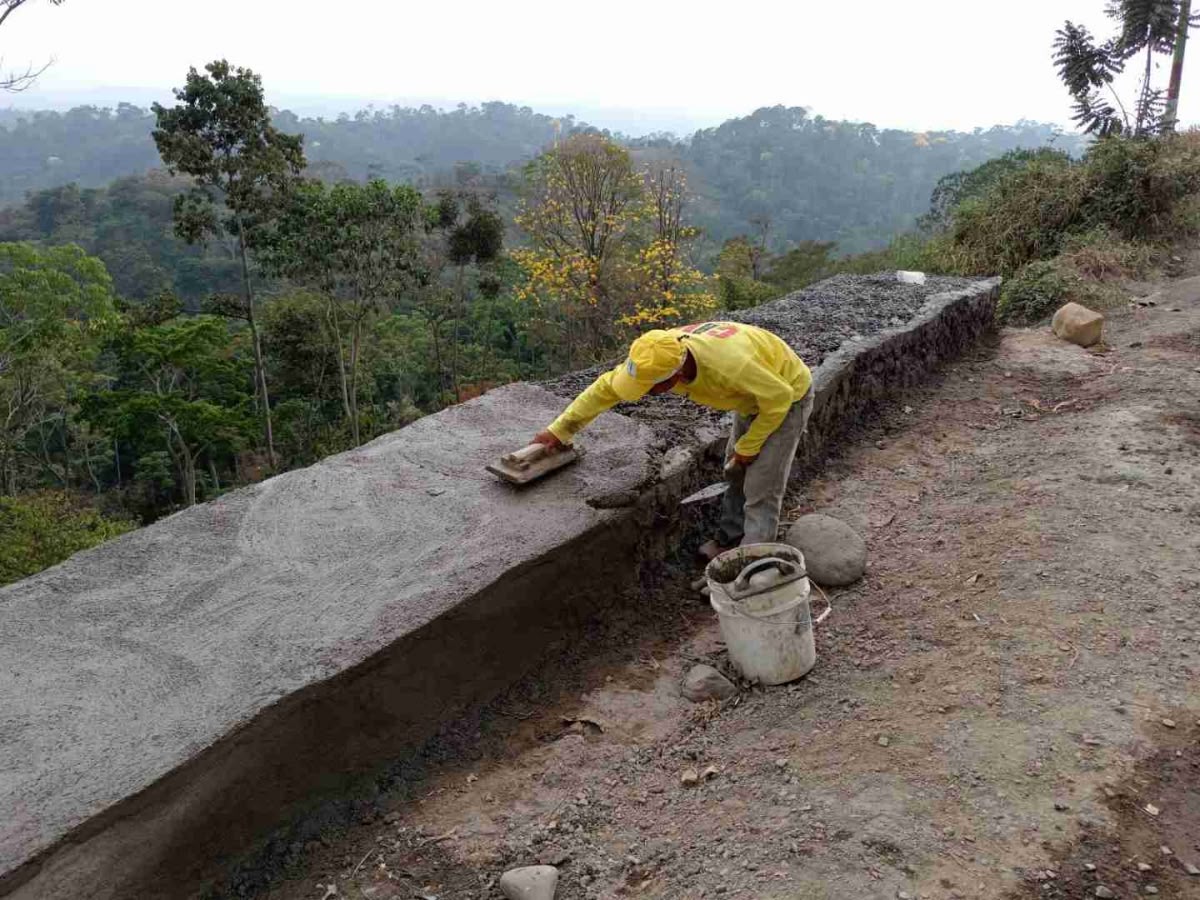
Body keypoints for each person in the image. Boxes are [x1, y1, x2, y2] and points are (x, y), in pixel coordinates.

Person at [533, 321, 813, 559]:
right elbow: (604, 390)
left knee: (762, 485)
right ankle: (730, 540)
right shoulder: (655, 353)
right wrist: (560, 430)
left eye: (650, 388)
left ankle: (753, 564)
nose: (645, 393)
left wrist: (750, 446)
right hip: (752, 396)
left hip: (788, 396)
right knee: (736, 471)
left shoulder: (730, 367)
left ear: (674, 375)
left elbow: (780, 397)